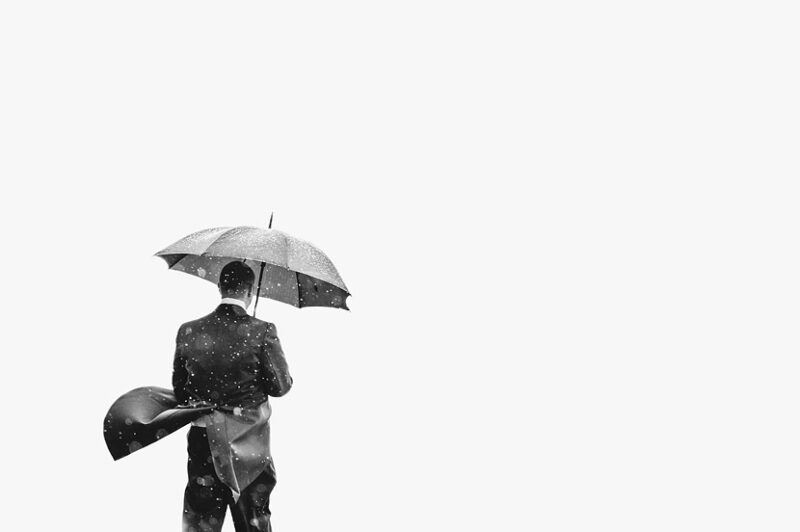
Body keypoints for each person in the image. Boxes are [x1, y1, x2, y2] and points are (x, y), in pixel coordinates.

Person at [172, 260, 293, 532]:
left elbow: (180, 391)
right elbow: (280, 387)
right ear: (250, 292)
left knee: (202, 523)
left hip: (204, 444)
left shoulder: (189, 330)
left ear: (219, 287)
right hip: (248, 445)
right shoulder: (262, 331)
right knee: (253, 522)